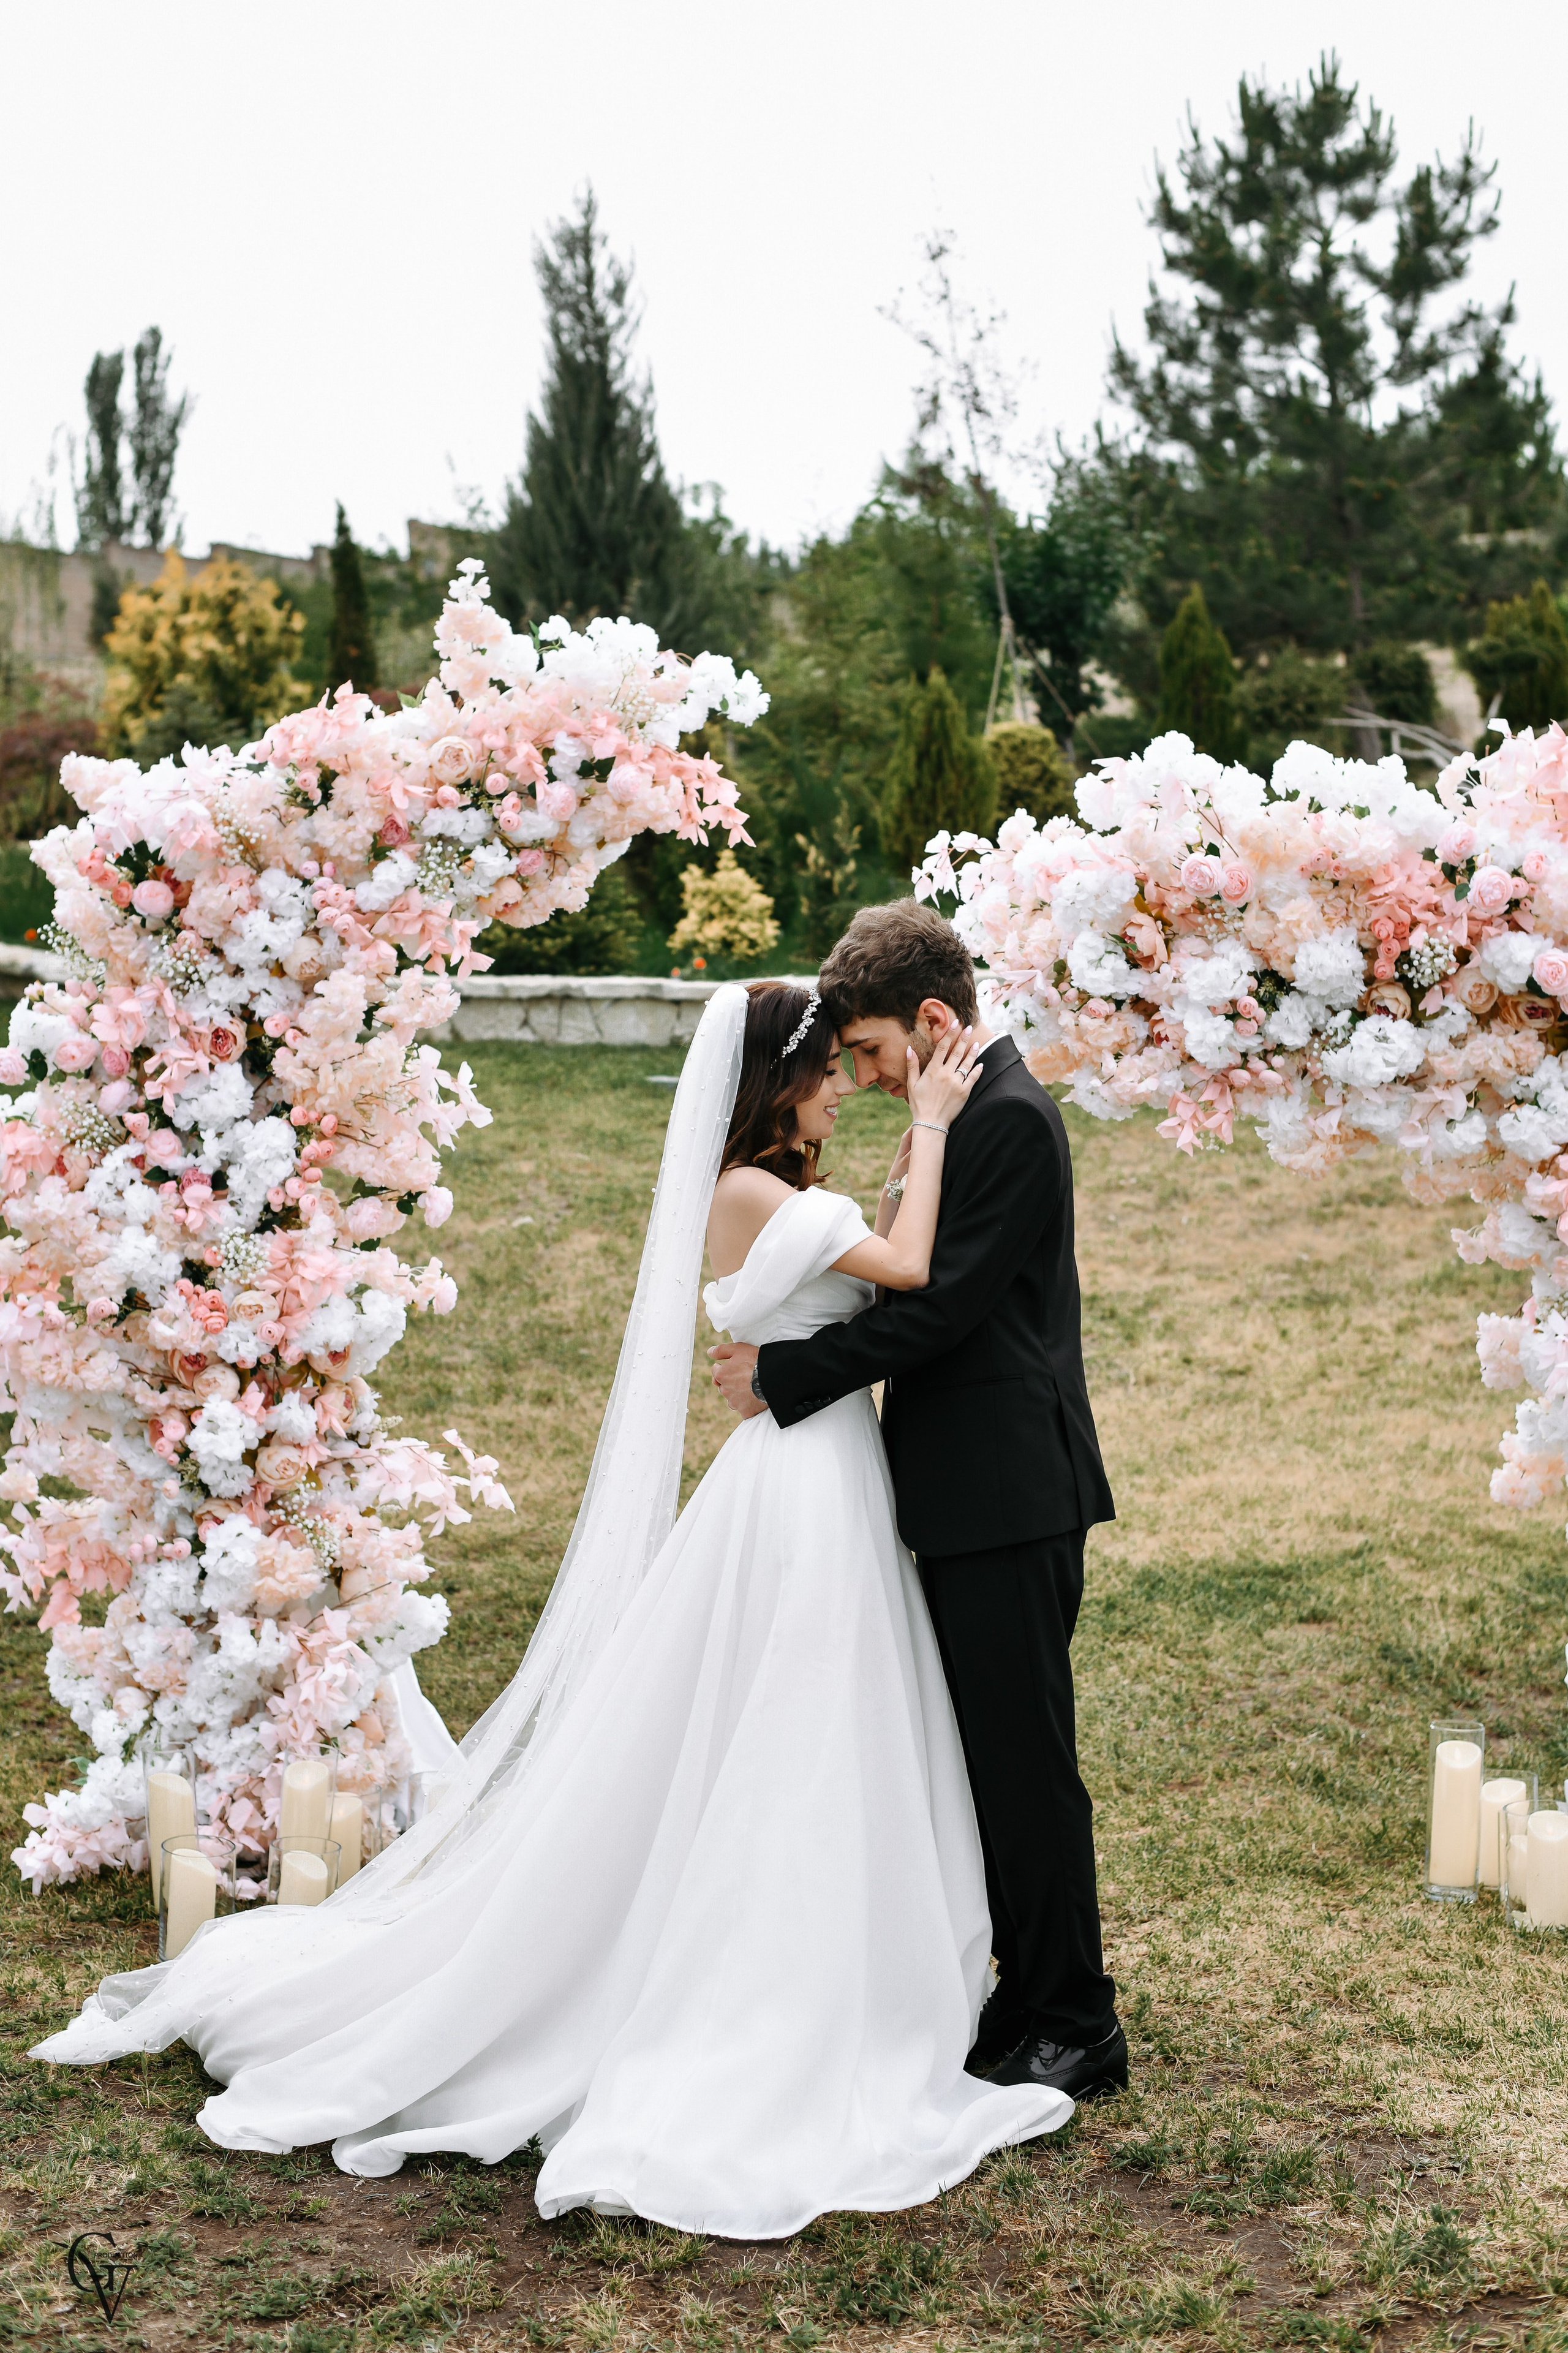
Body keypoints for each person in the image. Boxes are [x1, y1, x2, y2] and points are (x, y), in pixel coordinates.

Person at [32, 978, 1073, 2238]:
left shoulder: (789, 1195)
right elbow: (908, 1268)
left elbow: (900, 1270)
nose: (844, 1089)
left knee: (839, 1711)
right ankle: (792, 1976)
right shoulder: (755, 1192)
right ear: (777, 1082)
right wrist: (937, 1121)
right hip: (805, 1477)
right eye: (827, 1071)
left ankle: (878, 1956)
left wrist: (918, 1152)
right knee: (797, 1707)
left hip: (829, 1462)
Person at [710, 902, 1125, 2101]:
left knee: (1025, 1760)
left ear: (933, 1020)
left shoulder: (1004, 1121)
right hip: (964, 1488)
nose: (870, 1079)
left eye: (878, 1053)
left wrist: (783, 1374)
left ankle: (1076, 2020)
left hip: (1006, 1490)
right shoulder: (970, 1118)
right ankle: (1025, 1979)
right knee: (983, 1756)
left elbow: (933, 1313)